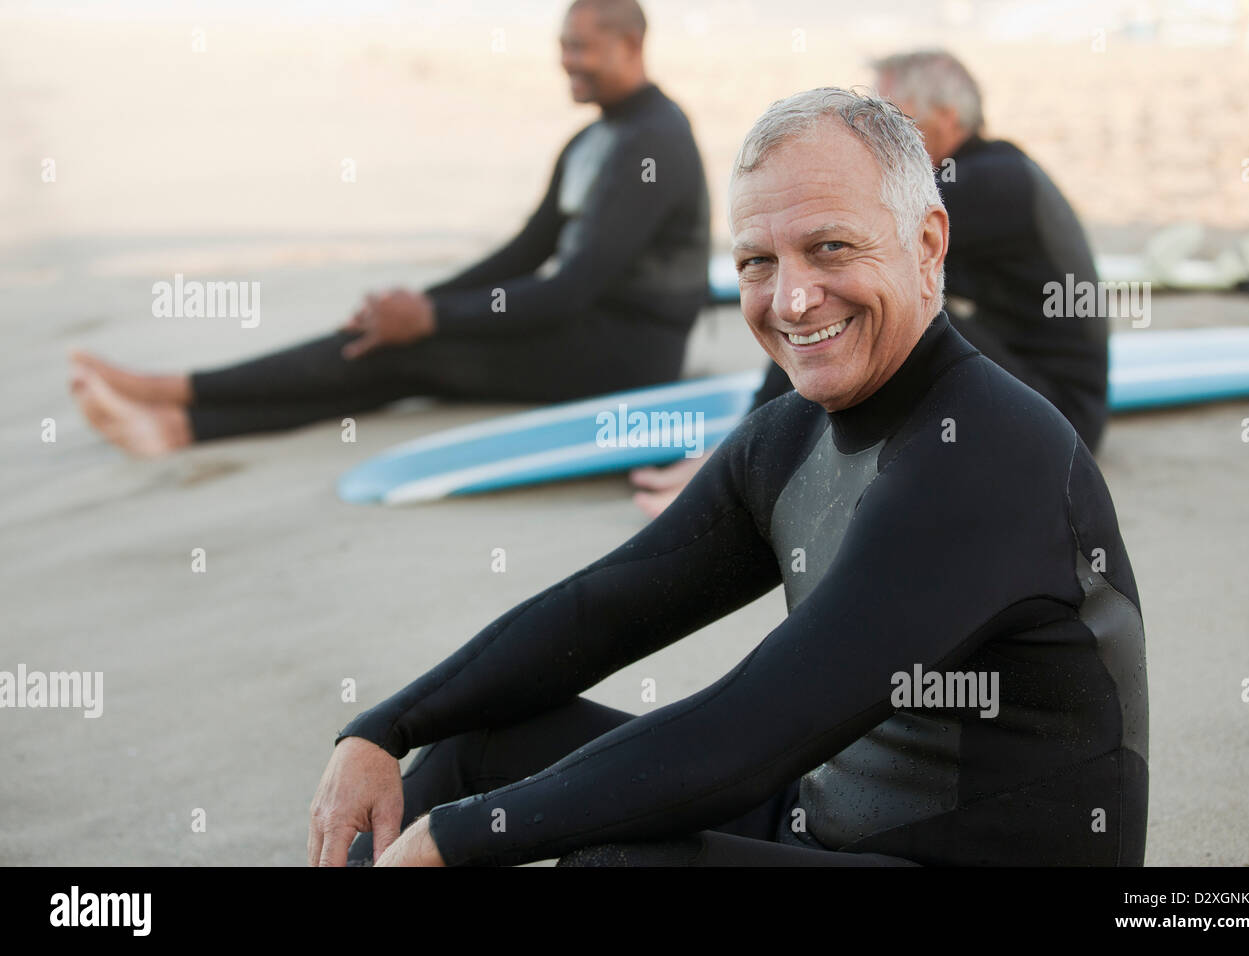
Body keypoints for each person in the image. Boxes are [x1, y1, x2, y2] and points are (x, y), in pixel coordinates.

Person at [307, 88, 1148, 868]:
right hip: (826, 823)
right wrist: (384, 728)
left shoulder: (987, 459)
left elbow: (748, 733)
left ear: (927, 246)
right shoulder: (787, 437)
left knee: (621, 860)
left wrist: (450, 842)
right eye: (756, 263)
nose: (790, 299)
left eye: (829, 248)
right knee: (474, 751)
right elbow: (605, 609)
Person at [69, 0, 710, 457]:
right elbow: (526, 251)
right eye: (563, 46)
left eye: (582, 47)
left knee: (405, 350)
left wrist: (431, 321)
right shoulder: (594, 138)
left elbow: (570, 288)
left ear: (630, 46)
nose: (568, 61)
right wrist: (420, 304)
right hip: (585, 328)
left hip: (629, 355)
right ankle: (181, 426)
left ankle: (170, 392)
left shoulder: (653, 144)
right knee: (391, 347)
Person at [630, 49, 1108, 517]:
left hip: (1058, 415)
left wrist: (735, 444)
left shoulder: (985, 183)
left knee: (838, 306)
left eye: (892, 119)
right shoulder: (1000, 168)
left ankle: (740, 466)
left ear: (945, 117)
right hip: (1037, 388)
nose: (873, 133)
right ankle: (746, 455)